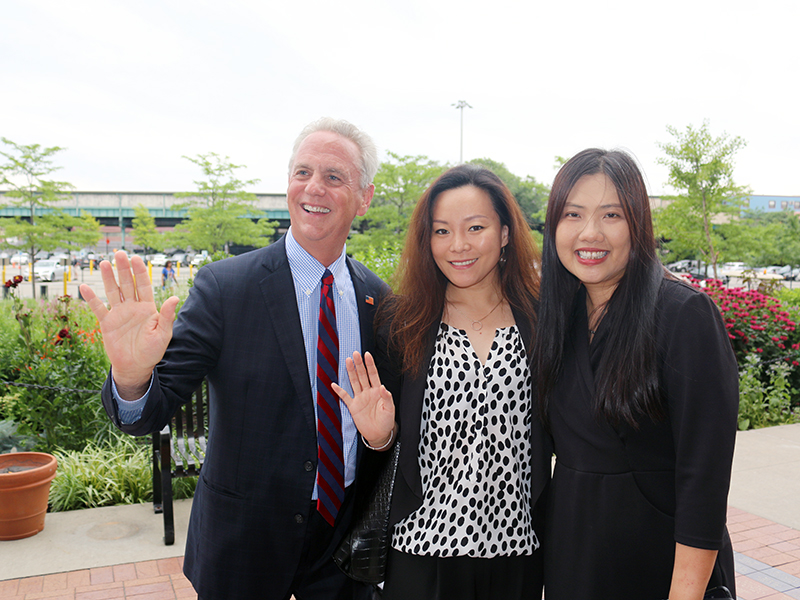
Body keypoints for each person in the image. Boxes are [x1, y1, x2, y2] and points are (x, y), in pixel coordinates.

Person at [79, 118, 390, 600]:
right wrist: (133, 373)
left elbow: (387, 422)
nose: (313, 187)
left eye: (334, 176)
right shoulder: (226, 288)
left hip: (343, 545)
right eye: (302, 172)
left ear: (364, 196)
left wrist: (382, 436)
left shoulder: (378, 299)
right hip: (243, 544)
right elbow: (150, 412)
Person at [332, 164, 551, 600]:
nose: (459, 245)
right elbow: (389, 438)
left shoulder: (542, 318)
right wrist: (379, 436)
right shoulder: (403, 321)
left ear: (505, 234)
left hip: (518, 551)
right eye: (442, 231)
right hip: (422, 549)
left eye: (476, 227)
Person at [532, 148, 739, 600]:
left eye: (612, 214)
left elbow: (703, 479)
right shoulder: (556, 319)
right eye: (573, 214)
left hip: (660, 563)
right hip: (574, 556)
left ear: (638, 223)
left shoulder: (684, 314)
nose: (591, 233)